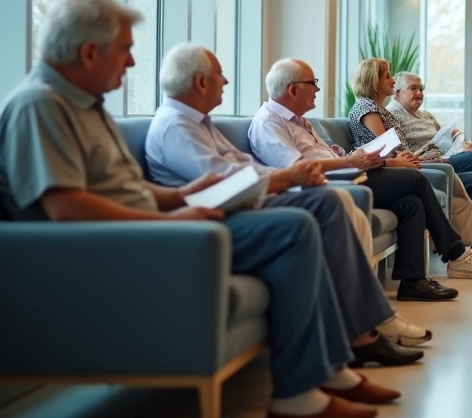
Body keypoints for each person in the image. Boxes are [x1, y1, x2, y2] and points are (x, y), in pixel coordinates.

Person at [0, 0, 393, 418]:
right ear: (89, 52)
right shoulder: (40, 106)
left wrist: (180, 194)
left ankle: (323, 369)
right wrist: (173, 217)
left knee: (307, 217)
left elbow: (126, 188)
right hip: (130, 242)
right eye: (125, 50)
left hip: (156, 226)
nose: (130, 63)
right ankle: (303, 390)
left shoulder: (83, 106)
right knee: (294, 227)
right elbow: (65, 207)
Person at [146, 44, 435, 369]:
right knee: (335, 201)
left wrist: (285, 177)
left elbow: (243, 167)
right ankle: (366, 327)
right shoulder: (178, 126)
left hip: (248, 201)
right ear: (201, 83)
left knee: (345, 200)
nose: (226, 83)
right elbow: (220, 185)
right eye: (220, 77)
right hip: (224, 215)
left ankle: (363, 329)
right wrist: (285, 179)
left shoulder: (198, 123)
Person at [347, 58, 472, 283]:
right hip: (381, 171)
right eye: (387, 76)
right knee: (419, 181)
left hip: (392, 168)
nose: (392, 80)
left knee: (414, 202)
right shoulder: (366, 108)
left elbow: (392, 150)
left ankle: (414, 281)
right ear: (373, 80)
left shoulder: (378, 109)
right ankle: (457, 254)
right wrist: (401, 161)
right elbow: (386, 150)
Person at [387, 71, 472, 259]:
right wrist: (437, 160)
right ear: (397, 91)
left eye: (421, 89)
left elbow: (447, 132)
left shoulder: (425, 115)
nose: (419, 93)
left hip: (445, 160)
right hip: (431, 166)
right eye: (413, 88)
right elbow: (401, 153)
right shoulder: (391, 115)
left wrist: (461, 143)